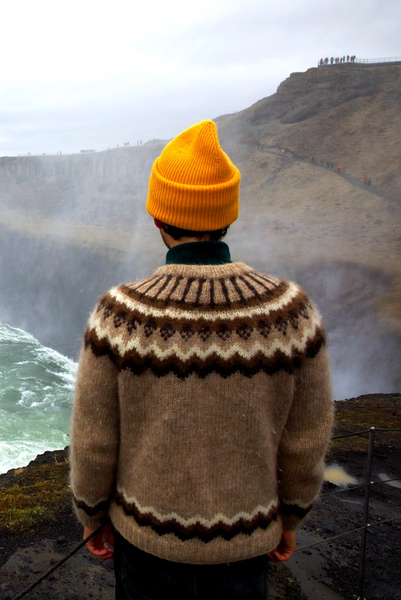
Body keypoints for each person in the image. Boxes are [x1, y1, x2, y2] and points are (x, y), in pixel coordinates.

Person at [70, 120, 334, 600]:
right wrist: (291, 518)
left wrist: (91, 515)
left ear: (157, 216)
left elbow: (94, 441)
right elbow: (304, 441)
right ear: (228, 215)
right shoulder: (292, 313)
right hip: (245, 546)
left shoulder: (119, 316)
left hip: (145, 545)